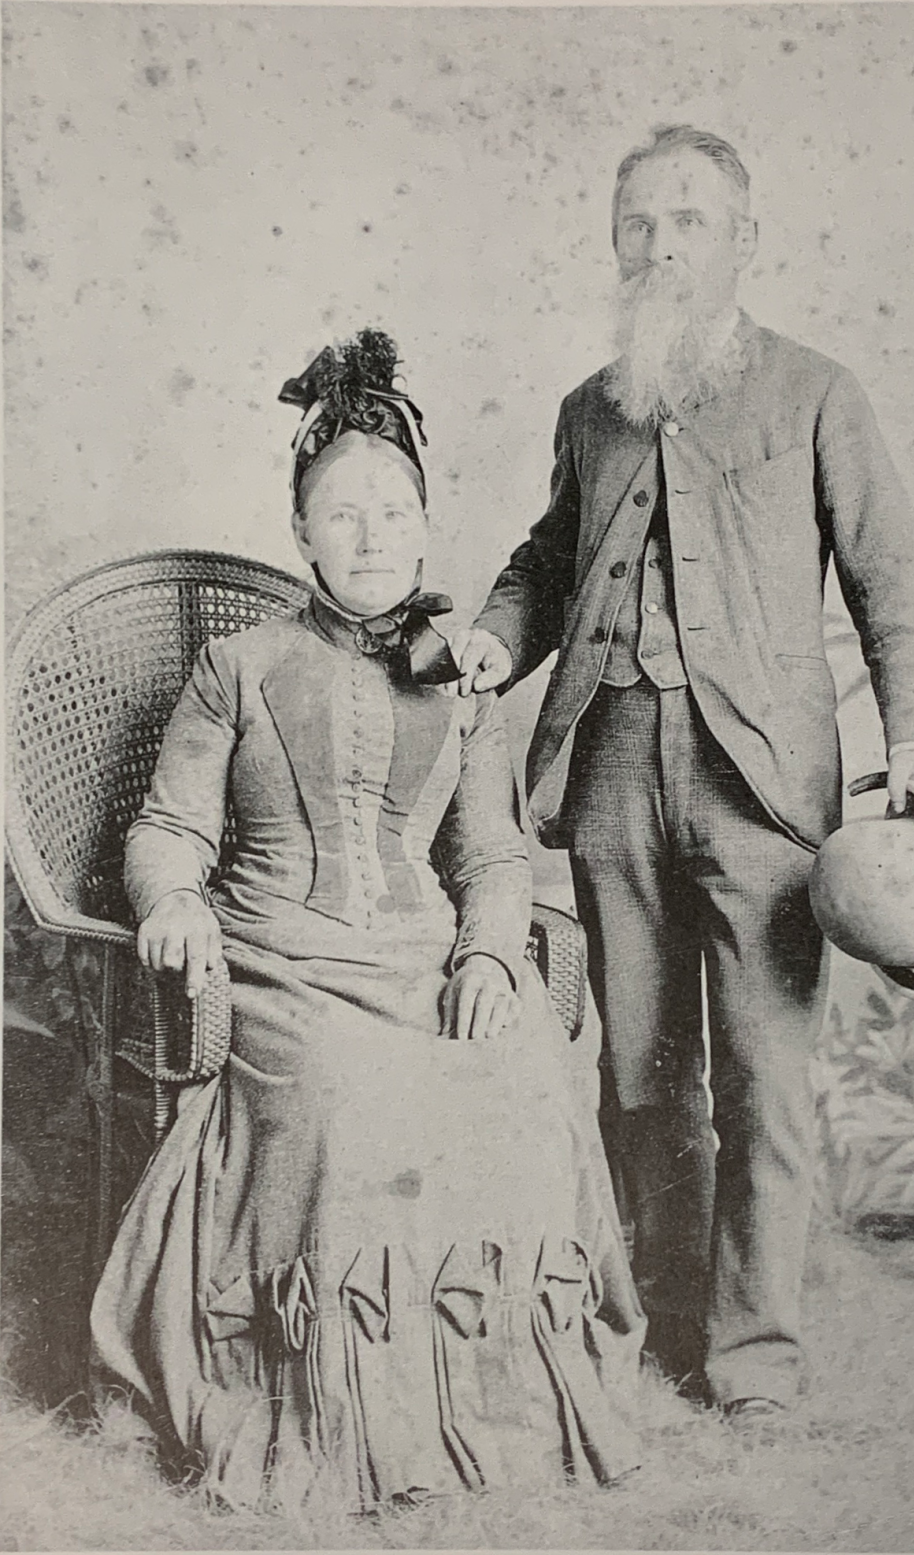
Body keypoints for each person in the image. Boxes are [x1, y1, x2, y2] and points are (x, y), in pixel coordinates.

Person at [90, 329, 644, 1511]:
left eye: (395, 510)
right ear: (300, 534)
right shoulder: (237, 666)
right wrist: (173, 899)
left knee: (524, 1075)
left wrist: (491, 953)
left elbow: (492, 850)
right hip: (280, 965)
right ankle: (342, 1419)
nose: (373, 534)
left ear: (426, 525)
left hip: (421, 956)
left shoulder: (465, 680)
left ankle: (500, 1411)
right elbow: (167, 829)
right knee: (351, 1097)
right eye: (343, 514)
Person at [454, 125, 914, 1417]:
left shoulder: (815, 392)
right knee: (636, 1071)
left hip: (765, 789)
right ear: (612, 243)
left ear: (744, 238)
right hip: (611, 762)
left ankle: (753, 1356)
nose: (660, 243)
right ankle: (652, 1314)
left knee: (762, 1077)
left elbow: (891, 575)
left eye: (687, 218)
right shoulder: (588, 407)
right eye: (637, 222)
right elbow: (545, 562)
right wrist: (489, 638)